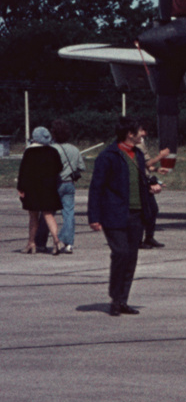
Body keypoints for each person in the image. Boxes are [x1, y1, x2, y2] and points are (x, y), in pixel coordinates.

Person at [87, 117, 162, 315]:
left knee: (131, 258)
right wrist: (94, 216)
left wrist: (151, 187)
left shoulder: (137, 155)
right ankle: (115, 297)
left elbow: (139, 180)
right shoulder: (108, 156)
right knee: (120, 253)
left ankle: (122, 300)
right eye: (141, 130)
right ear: (130, 134)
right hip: (114, 214)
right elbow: (96, 187)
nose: (144, 134)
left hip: (137, 215)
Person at [18, 126, 64, 255]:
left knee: (33, 216)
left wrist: (21, 188)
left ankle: (31, 243)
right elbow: (59, 167)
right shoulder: (53, 151)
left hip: (32, 188)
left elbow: (23, 171)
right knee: (48, 215)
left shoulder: (29, 152)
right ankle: (56, 240)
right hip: (48, 187)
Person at [51, 119, 84, 254]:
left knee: (48, 214)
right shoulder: (74, 149)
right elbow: (81, 167)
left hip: (54, 184)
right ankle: (69, 242)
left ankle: (41, 241)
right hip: (69, 183)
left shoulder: (52, 149)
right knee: (69, 213)